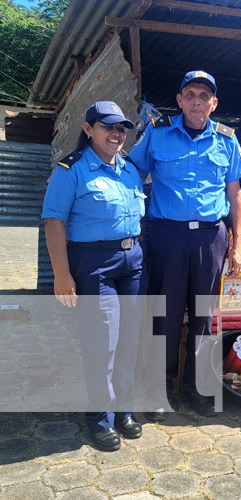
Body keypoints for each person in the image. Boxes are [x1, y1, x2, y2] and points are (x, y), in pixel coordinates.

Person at [129, 70, 241, 420]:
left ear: (214, 103)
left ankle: (194, 388)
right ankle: (160, 389)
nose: (197, 101)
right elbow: (131, 173)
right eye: (191, 94)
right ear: (180, 100)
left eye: (204, 96)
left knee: (203, 317)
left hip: (211, 237)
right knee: (164, 316)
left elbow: (235, 194)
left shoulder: (227, 140)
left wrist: (237, 245)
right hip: (166, 235)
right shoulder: (158, 133)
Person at [42, 101, 145, 451]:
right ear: (88, 129)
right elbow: (54, 221)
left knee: (130, 339)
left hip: (131, 261)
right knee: (104, 341)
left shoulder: (129, 167)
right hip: (93, 262)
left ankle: (124, 410)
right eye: (107, 127)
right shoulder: (70, 170)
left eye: (120, 129)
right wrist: (62, 274)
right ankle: (99, 418)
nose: (116, 134)